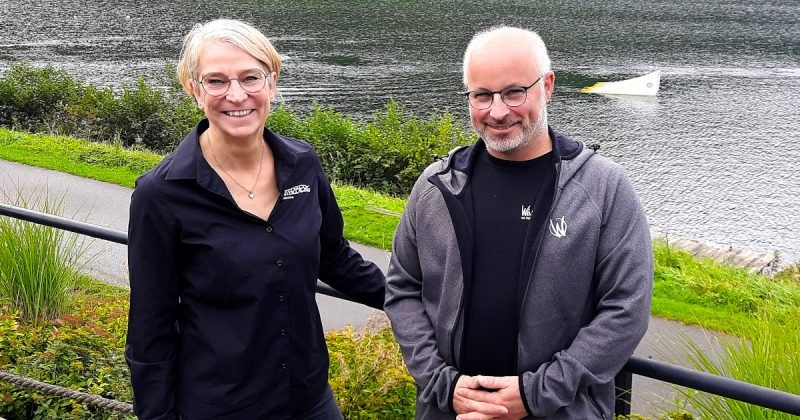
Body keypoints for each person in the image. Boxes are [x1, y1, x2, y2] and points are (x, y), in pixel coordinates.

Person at [384, 26, 653, 419]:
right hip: (450, 409)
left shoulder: (605, 189)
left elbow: (626, 310)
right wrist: (444, 384)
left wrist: (534, 395)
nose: (497, 111)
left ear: (547, 86)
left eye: (514, 92)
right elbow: (403, 289)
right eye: (482, 95)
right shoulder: (435, 186)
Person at [125, 19, 385, 420]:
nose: (235, 95)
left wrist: (419, 301)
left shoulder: (303, 164)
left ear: (272, 82)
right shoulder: (161, 195)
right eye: (215, 81)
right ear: (194, 90)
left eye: (250, 78)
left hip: (310, 399)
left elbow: (334, 258)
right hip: (221, 407)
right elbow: (150, 328)